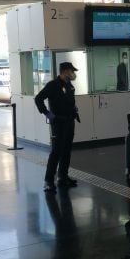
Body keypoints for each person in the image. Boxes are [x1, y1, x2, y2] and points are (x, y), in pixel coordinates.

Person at [34, 61, 81, 193]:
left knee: (66, 151)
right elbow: (38, 99)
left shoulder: (69, 86)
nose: (73, 74)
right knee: (56, 152)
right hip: (59, 123)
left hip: (69, 122)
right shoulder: (52, 85)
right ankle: (48, 181)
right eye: (72, 71)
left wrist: (73, 108)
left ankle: (62, 177)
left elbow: (69, 102)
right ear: (65, 71)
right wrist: (48, 114)